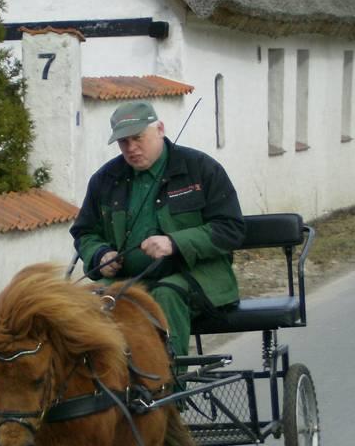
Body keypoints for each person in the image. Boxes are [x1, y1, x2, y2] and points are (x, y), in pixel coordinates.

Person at [70, 100, 245, 357]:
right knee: (87, 300)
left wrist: (175, 242)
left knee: (166, 294)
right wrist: (99, 255)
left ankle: (170, 389)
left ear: (160, 129)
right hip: (127, 279)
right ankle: (104, 389)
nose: (131, 148)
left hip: (197, 276)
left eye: (138, 138)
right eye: (123, 142)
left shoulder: (200, 168)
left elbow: (230, 229)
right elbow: (85, 232)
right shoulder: (105, 179)